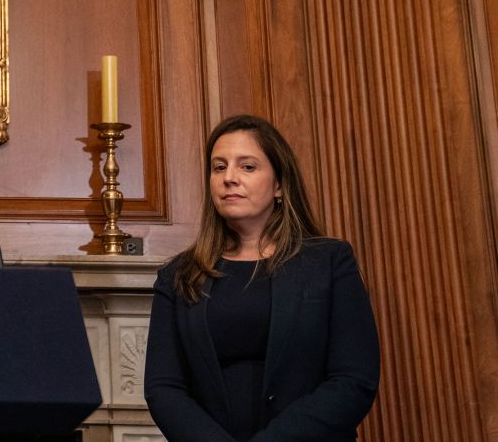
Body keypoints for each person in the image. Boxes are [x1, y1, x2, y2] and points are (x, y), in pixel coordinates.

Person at [144, 114, 379, 441]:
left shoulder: (329, 262)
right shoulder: (178, 276)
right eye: (219, 167)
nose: (229, 178)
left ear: (280, 184)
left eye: (247, 166)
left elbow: (354, 380)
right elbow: (163, 388)